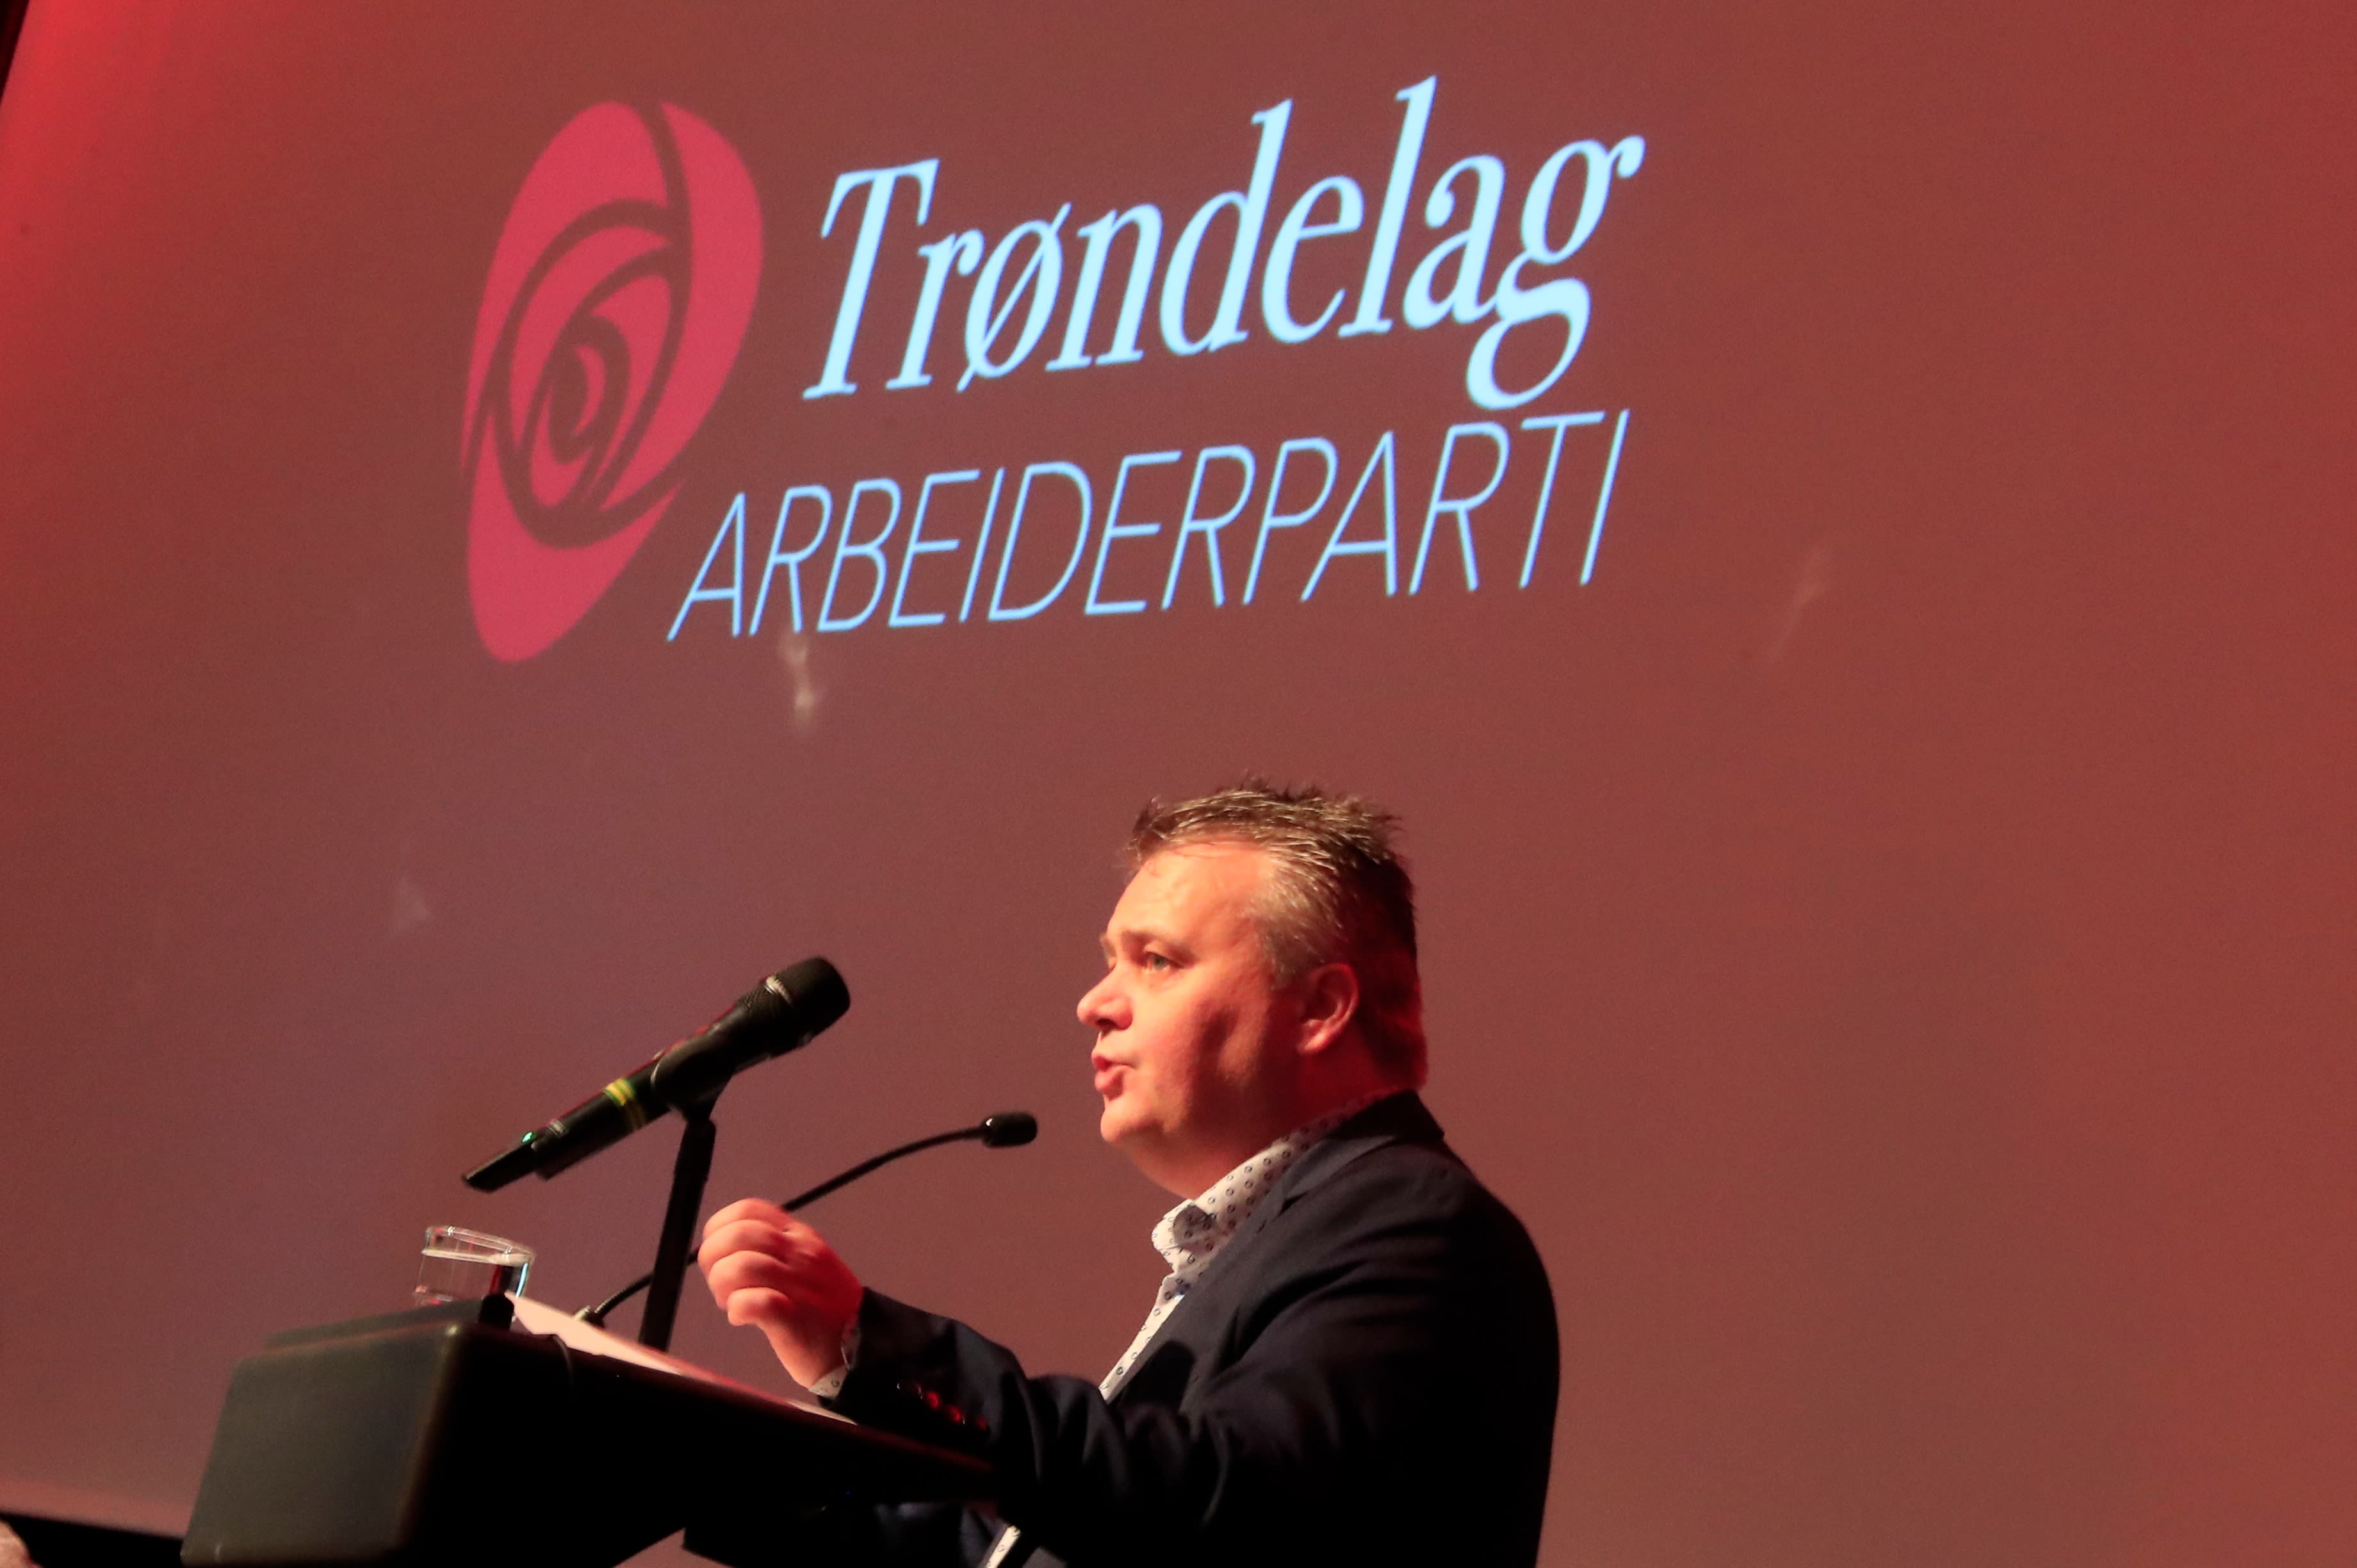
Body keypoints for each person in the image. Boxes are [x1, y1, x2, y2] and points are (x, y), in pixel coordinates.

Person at [697, 783, 1558, 1566]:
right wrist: (703, 1457)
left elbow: (1226, 1507)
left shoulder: (1415, 1224)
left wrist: (876, 1344)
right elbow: (1021, 1550)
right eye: (1112, 960)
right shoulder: (1279, 1236)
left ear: (1321, 1008)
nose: (1096, 1003)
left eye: (1158, 961)